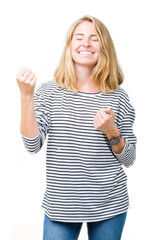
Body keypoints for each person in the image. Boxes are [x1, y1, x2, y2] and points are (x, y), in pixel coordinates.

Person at [16, 15, 137, 240]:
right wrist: (26, 97)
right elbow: (32, 145)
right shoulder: (49, 92)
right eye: (79, 37)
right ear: (70, 46)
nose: (86, 43)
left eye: (94, 39)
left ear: (104, 47)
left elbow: (129, 158)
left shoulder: (119, 97)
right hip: (61, 205)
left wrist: (112, 131)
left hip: (109, 205)